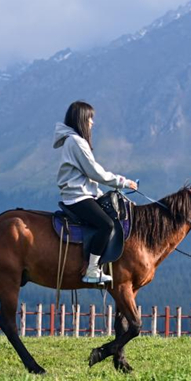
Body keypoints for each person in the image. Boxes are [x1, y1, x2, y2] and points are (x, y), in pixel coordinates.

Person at [53, 101, 137, 284]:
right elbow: (94, 172)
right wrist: (122, 182)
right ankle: (92, 269)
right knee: (106, 224)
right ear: (82, 119)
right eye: (90, 118)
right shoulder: (76, 142)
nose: (92, 123)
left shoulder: (73, 141)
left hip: (83, 193)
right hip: (77, 197)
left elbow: (87, 177)